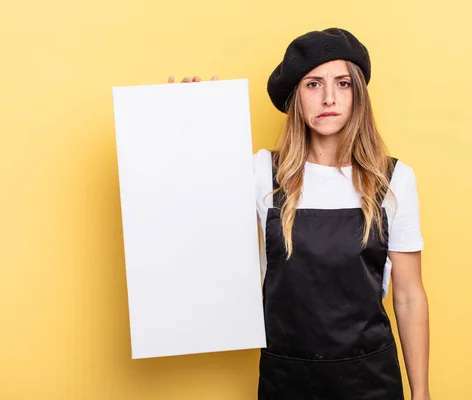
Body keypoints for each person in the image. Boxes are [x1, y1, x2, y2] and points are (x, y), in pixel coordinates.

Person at [168, 27, 431, 400]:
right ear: (296, 99)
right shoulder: (262, 174)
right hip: (286, 378)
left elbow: (408, 295)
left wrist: (421, 393)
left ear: (358, 93)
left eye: (342, 83)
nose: (328, 97)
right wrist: (184, 120)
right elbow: (186, 201)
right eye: (313, 85)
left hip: (370, 378)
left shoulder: (393, 180)